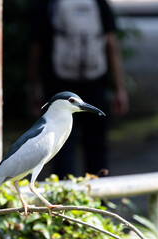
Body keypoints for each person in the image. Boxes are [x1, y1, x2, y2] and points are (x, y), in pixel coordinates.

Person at [27, 0, 128, 178]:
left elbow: (36, 50)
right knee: (97, 146)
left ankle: (64, 199)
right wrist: (119, 88)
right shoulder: (97, 3)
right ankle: (100, 198)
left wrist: (33, 87)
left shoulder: (49, 5)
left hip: (59, 86)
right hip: (95, 84)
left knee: (60, 146)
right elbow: (111, 45)